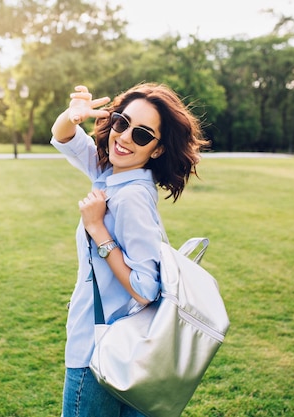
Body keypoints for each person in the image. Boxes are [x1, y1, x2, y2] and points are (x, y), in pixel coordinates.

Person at [51, 83, 208, 417]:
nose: (123, 138)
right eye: (122, 123)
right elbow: (64, 137)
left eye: (141, 135)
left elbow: (146, 288)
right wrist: (73, 115)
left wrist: (98, 230)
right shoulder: (112, 173)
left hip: (101, 349)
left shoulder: (130, 196)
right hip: (122, 349)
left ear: (157, 149)